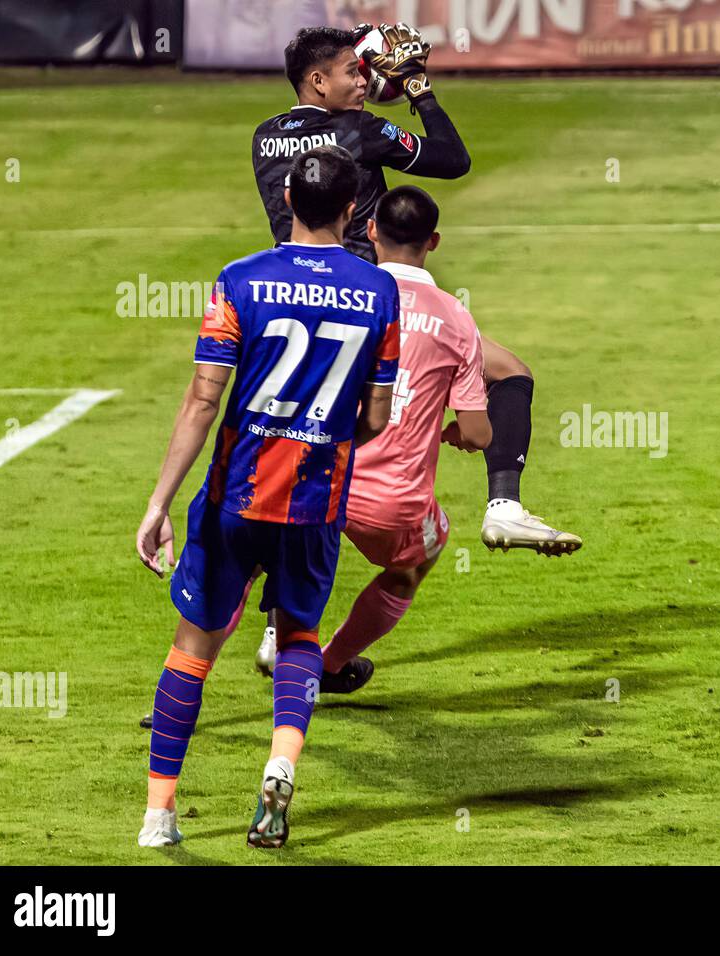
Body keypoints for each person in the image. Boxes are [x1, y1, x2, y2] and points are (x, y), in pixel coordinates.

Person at [134, 146, 400, 848]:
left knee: (193, 647)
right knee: (299, 636)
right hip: (313, 505)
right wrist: (324, 434)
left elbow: (202, 400)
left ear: (286, 197)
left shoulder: (240, 279)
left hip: (234, 499)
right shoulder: (378, 291)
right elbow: (376, 418)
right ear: (353, 210)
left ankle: (159, 816)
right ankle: (281, 765)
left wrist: (159, 502)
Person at [252, 24, 580, 571]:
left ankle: (273, 587)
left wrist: (371, 87)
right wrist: (418, 90)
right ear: (318, 81)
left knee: (310, 444)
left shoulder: (264, 138)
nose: (363, 82)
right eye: (353, 73)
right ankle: (503, 506)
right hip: (373, 301)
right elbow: (453, 159)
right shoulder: (359, 131)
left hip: (300, 308)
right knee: (510, 374)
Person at [318, 185, 493, 693]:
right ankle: (331, 666)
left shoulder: (342, 295)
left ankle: (185, 687)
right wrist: (451, 431)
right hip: (391, 503)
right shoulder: (456, 318)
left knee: (250, 561)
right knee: (413, 563)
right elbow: (478, 433)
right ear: (433, 241)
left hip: (314, 476)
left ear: (370, 230)